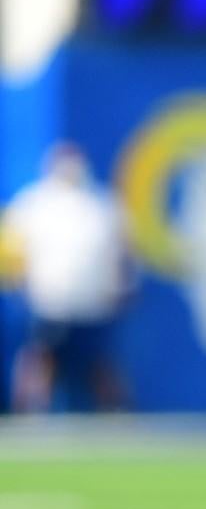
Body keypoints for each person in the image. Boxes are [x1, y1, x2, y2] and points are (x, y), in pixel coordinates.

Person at [1, 143, 129, 412]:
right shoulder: (33, 203)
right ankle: (27, 413)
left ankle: (117, 414)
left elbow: (120, 255)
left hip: (91, 304)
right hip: (49, 301)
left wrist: (120, 288)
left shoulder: (101, 204)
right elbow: (12, 247)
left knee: (98, 363)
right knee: (41, 360)